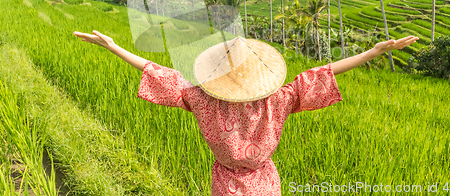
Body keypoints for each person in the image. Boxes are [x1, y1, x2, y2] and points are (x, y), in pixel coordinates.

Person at [73, 30, 418, 195]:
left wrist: (116, 48)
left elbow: (161, 73)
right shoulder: (278, 100)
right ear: (260, 75)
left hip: (225, 183)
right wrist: (372, 52)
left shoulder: (203, 100)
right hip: (266, 183)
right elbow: (324, 72)